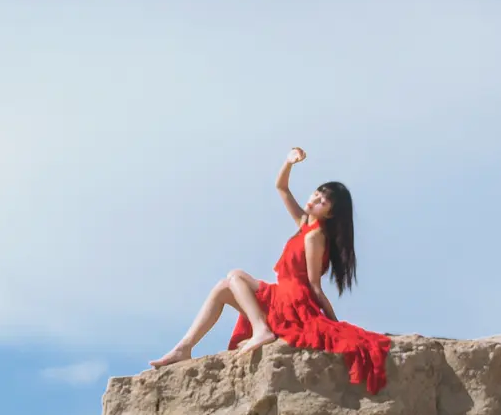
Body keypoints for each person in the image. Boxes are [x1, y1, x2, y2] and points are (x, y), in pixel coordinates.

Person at [152, 147, 392, 394]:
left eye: (322, 202)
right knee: (224, 286)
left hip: (294, 302)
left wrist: (332, 322)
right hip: (282, 294)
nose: (314, 200)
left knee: (234, 276)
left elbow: (314, 285)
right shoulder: (304, 225)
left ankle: (261, 329)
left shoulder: (315, 237)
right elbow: (281, 188)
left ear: (330, 213)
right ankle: (185, 347)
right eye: (317, 193)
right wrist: (289, 162)